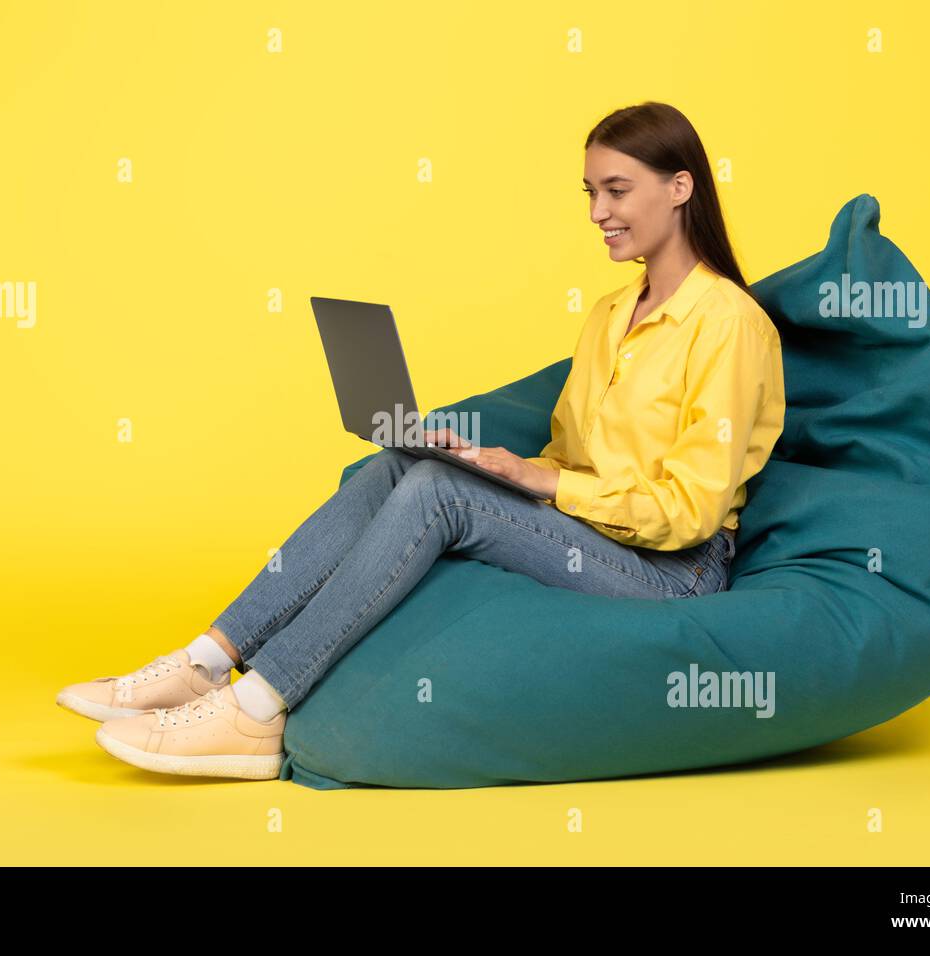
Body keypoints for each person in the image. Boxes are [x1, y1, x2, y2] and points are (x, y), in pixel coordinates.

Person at [56, 101, 787, 780]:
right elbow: (572, 458)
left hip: (672, 568)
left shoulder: (728, 326)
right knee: (407, 460)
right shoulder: (609, 313)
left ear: (681, 187)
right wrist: (497, 466)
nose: (598, 212)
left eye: (617, 191)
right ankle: (205, 660)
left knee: (439, 495)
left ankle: (256, 711)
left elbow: (688, 511)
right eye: (590, 192)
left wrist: (541, 485)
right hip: (594, 531)